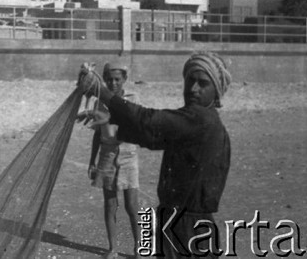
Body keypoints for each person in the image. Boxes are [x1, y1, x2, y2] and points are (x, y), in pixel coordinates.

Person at [78, 52, 232, 258]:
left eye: (203, 83)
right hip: (184, 226)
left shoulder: (200, 119)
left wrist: (102, 92)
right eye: (190, 81)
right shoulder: (200, 121)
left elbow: (148, 121)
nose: (194, 89)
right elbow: (151, 136)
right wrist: (110, 120)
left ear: (217, 91)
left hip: (186, 229)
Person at [77, 61, 141, 259]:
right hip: (107, 155)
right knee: (110, 204)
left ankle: (139, 248)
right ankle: (112, 248)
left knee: (132, 206)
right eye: (109, 79)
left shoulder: (133, 98)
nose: (113, 83)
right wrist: (92, 161)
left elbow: (135, 123)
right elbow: (97, 133)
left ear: (124, 80)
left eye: (117, 79)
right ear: (104, 80)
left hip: (129, 155)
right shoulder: (99, 102)